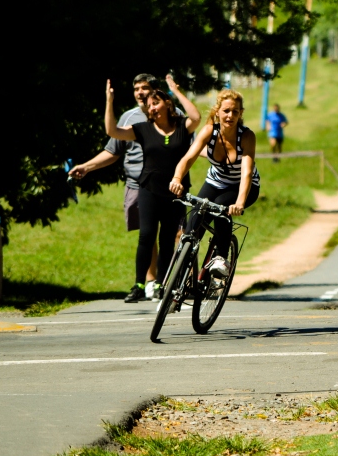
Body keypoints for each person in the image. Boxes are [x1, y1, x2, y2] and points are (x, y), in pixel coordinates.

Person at [69, 73, 172, 299]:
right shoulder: (129, 118)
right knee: (148, 234)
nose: (140, 93)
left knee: (176, 233)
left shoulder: (174, 115)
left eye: (144, 88)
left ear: (156, 90)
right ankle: (150, 281)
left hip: (170, 184)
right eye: (136, 89)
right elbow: (112, 151)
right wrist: (86, 167)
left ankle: (176, 280)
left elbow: (193, 144)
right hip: (138, 184)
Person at [105, 76, 200, 303]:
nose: (152, 108)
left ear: (166, 104)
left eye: (155, 103)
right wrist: (109, 101)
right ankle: (139, 285)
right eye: (149, 106)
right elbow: (112, 131)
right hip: (148, 188)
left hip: (175, 192)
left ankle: (160, 283)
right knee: (146, 235)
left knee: (167, 239)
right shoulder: (143, 129)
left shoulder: (181, 128)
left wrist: (175, 91)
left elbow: (196, 117)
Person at [170, 89, 260, 280]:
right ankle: (181, 279)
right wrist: (177, 178)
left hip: (242, 187)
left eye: (235, 112)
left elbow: (246, 173)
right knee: (192, 227)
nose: (230, 116)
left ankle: (221, 257)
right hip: (215, 182)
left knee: (221, 209)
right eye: (226, 111)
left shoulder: (246, 136)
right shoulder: (210, 131)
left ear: (240, 114)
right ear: (217, 111)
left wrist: (240, 202)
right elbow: (188, 158)